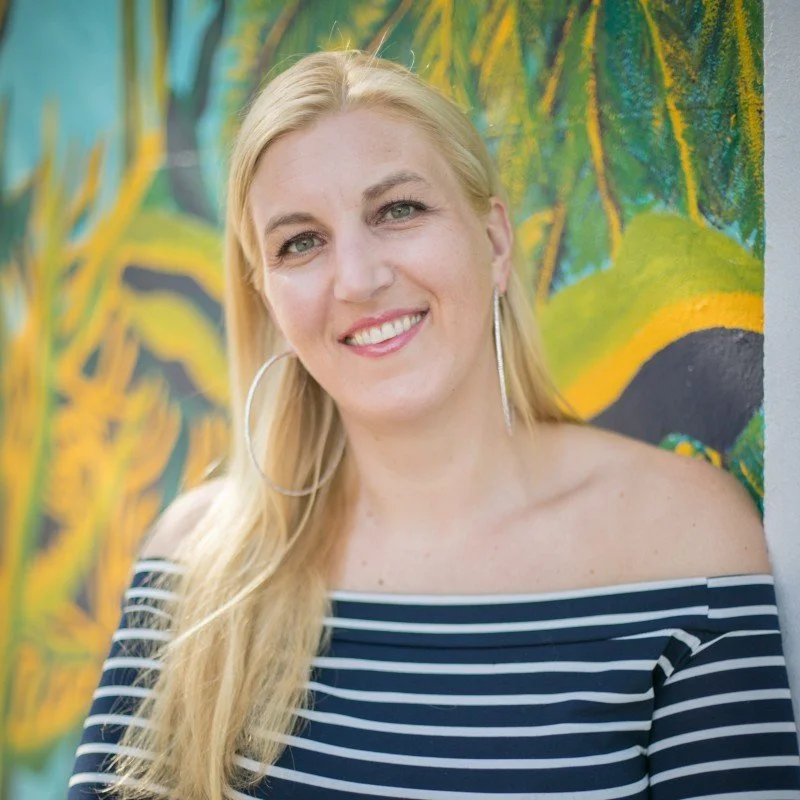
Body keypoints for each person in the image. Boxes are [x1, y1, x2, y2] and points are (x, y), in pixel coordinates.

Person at [68, 50, 800, 800]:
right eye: (300, 242)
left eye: (398, 210)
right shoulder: (196, 566)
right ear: (269, 303)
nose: (358, 280)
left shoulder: (683, 540)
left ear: (495, 243)